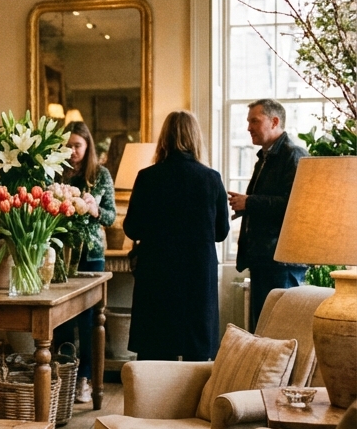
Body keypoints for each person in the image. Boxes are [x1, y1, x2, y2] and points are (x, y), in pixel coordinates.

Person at [124, 111, 230, 360]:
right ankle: (194, 400)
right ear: (196, 138)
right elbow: (221, 232)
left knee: (156, 351)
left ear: (164, 138)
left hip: (157, 274)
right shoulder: (211, 179)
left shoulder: (147, 177)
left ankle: (154, 400)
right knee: (196, 352)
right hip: (197, 274)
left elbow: (132, 228)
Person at [229, 98, 308, 330]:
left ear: (274, 121)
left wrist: (250, 203)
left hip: (281, 261)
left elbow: (295, 205)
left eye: (254, 120)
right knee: (262, 330)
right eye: (248, 121)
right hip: (264, 259)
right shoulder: (264, 158)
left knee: (279, 330)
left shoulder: (294, 155)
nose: (248, 128)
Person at [52, 121, 116, 403]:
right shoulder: (56, 174)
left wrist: (94, 209)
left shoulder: (100, 175)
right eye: (68, 146)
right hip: (60, 255)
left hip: (90, 254)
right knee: (62, 321)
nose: (72, 151)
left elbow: (111, 217)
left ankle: (85, 379)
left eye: (77, 145)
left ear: (88, 145)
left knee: (89, 321)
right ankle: (63, 379)